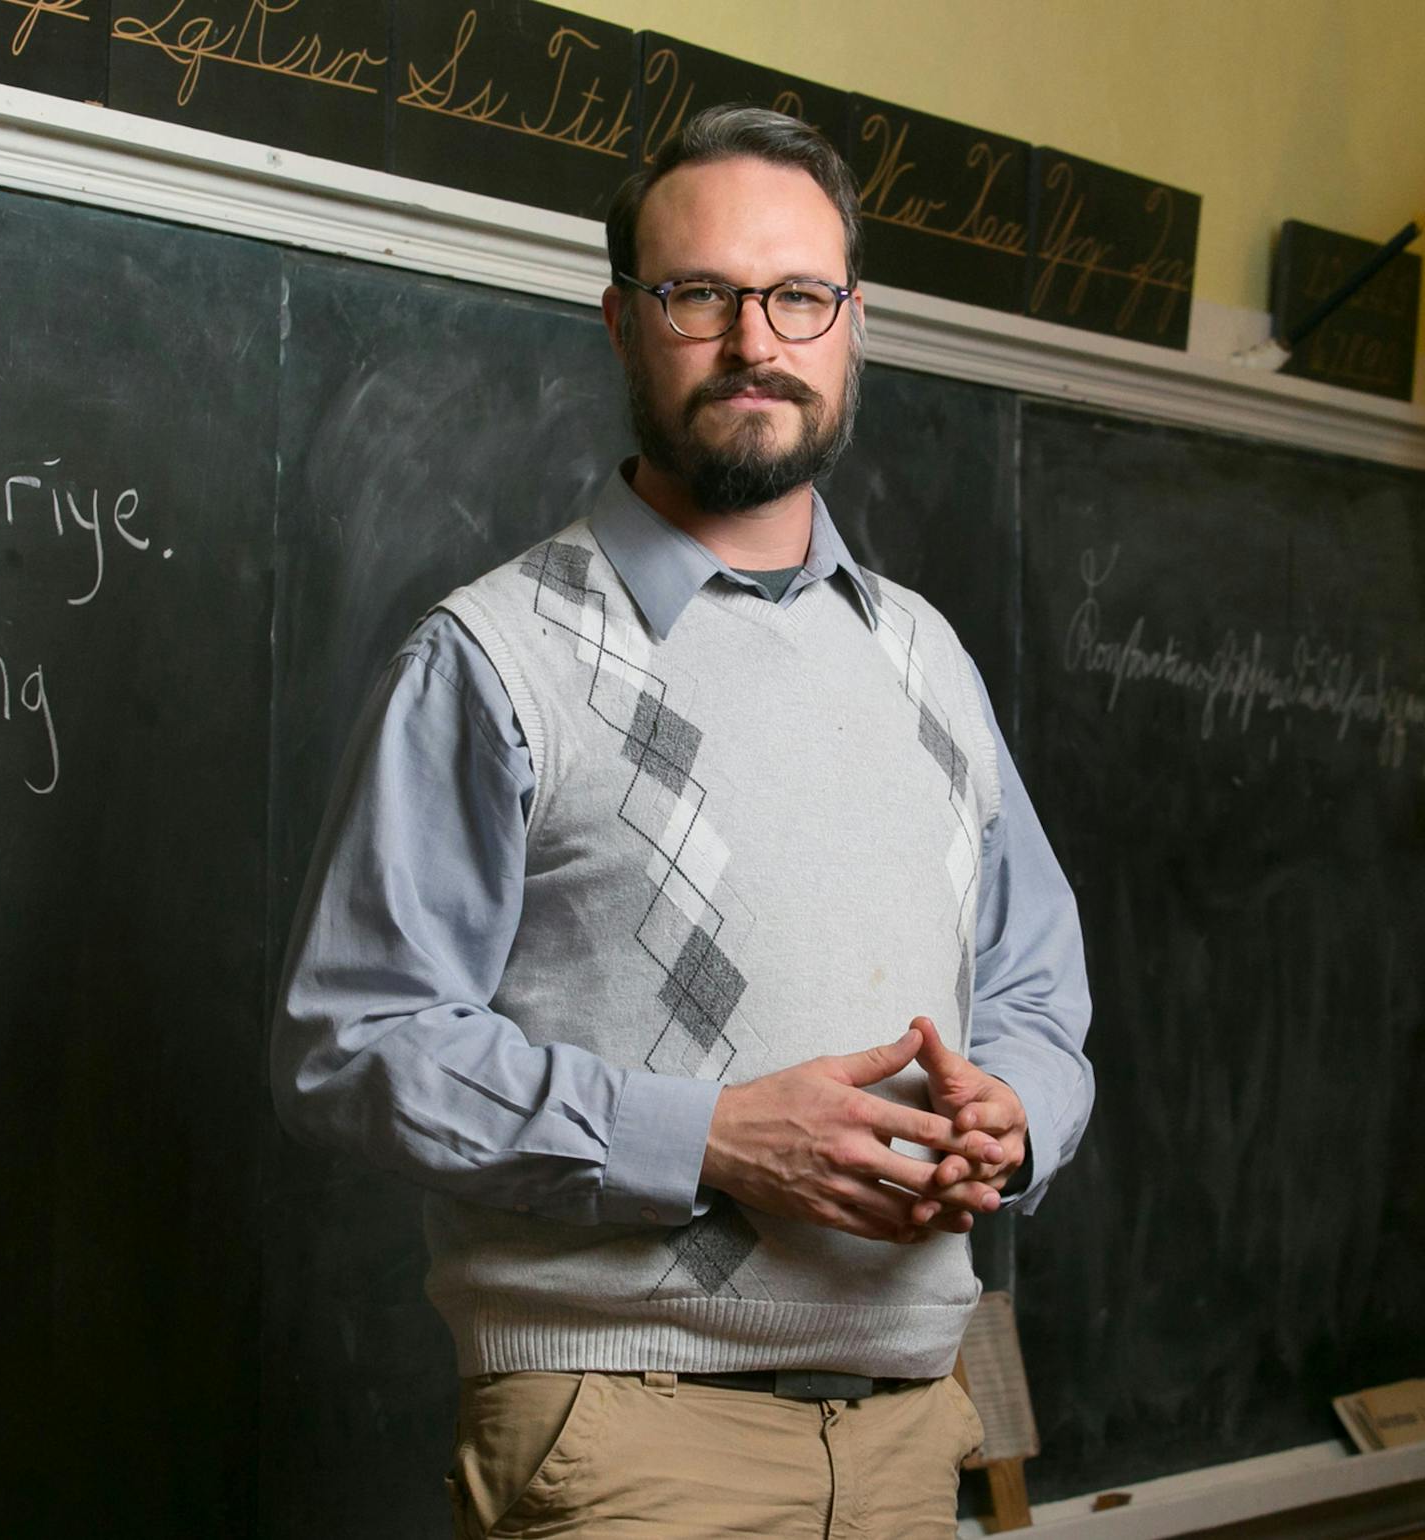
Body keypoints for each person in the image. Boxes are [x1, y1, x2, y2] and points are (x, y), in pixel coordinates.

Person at [270, 105, 1093, 1539]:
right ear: (622, 323)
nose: (754, 343)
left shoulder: (928, 659)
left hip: (912, 1443)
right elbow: (359, 1042)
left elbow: (1034, 990)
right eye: (700, 294)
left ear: (850, 325)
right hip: (630, 1447)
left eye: (797, 297)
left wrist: (1017, 1119)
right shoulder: (493, 658)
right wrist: (704, 1138)